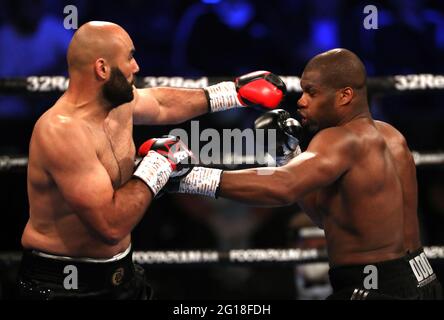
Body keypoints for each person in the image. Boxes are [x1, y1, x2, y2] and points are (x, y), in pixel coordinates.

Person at [17, 21, 286, 300]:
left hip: (122, 273)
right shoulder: (63, 132)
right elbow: (110, 226)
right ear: (102, 68)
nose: (137, 67)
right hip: (65, 284)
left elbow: (161, 104)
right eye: (130, 57)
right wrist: (157, 165)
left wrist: (231, 93)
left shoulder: (118, 104)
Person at [164, 48, 443, 299]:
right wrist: (290, 156)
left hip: (371, 286)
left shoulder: (340, 140)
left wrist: (189, 178)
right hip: (421, 278)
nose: (301, 101)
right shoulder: (392, 136)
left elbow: (283, 187)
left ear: (345, 95)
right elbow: (326, 217)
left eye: (312, 92)